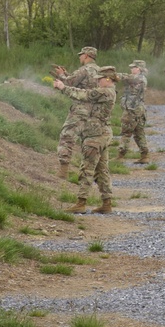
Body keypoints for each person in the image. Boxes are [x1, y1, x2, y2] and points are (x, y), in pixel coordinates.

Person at [53, 65, 119, 214]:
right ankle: (106, 203)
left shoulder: (105, 92)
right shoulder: (109, 91)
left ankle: (81, 202)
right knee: (101, 170)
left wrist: (63, 87)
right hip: (101, 134)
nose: (98, 82)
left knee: (87, 169)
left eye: (100, 79)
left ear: (108, 79)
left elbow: (84, 95)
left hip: (95, 136)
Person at [52, 46, 100, 180]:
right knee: (90, 141)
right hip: (95, 111)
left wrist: (61, 75)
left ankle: (63, 171)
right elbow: (81, 83)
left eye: (81, 55)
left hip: (81, 109)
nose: (79, 57)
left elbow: (70, 82)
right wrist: (65, 74)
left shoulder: (84, 69)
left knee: (67, 136)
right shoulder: (99, 70)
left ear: (86, 56)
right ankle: (91, 174)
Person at [118, 59, 150, 164]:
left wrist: (111, 75)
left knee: (126, 132)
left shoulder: (138, 78)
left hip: (132, 109)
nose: (131, 69)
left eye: (134, 67)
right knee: (139, 132)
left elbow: (125, 77)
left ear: (139, 69)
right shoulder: (141, 78)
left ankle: (120, 155)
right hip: (139, 109)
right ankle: (144, 155)